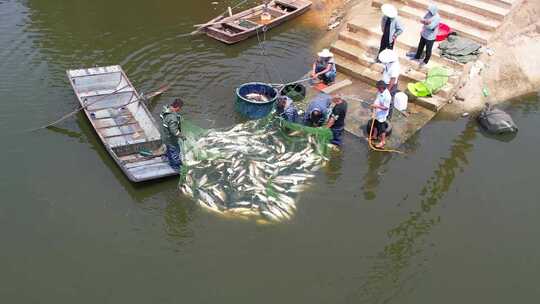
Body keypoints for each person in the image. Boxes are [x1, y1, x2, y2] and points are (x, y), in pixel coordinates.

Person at [160, 99, 185, 171]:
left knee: (169, 149)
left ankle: (169, 158)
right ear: (177, 107)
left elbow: (162, 117)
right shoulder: (173, 118)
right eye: (180, 108)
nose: (180, 109)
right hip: (171, 139)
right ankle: (176, 167)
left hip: (165, 136)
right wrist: (182, 136)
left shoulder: (165, 110)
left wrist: (178, 118)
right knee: (175, 151)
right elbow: (174, 131)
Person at [369, 81, 392, 148]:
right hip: (376, 112)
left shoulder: (387, 96)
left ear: (382, 88)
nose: (377, 89)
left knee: (382, 128)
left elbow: (386, 108)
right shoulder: (380, 91)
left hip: (382, 115)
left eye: (378, 88)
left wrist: (376, 106)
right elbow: (378, 99)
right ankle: (374, 135)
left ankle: (383, 141)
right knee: (375, 124)